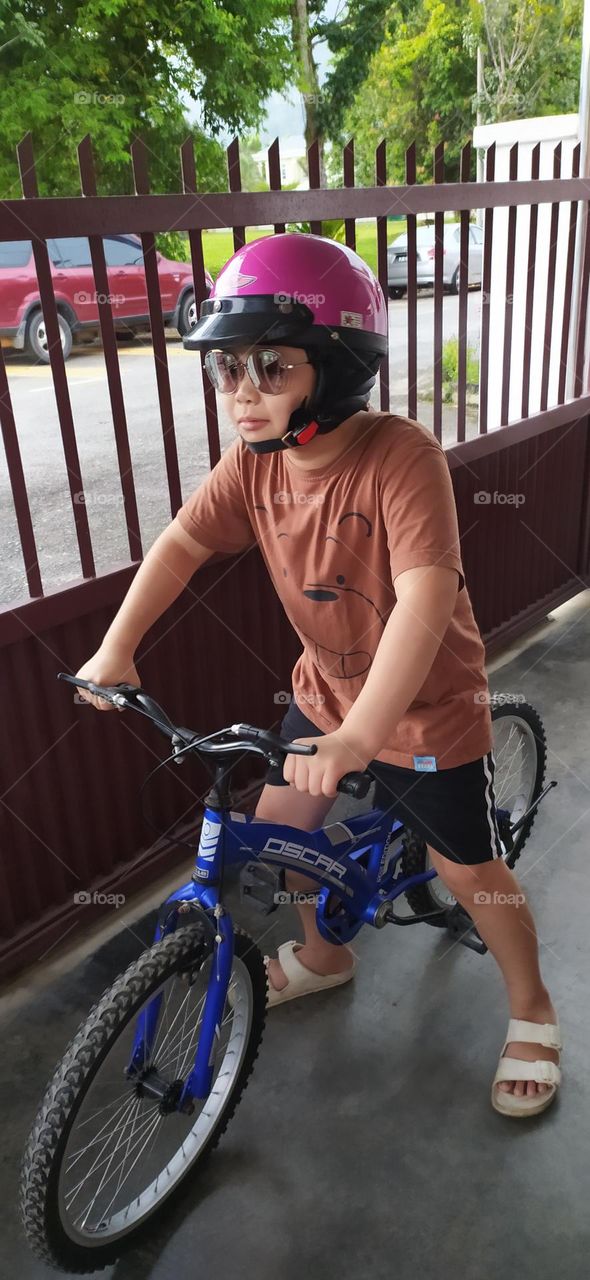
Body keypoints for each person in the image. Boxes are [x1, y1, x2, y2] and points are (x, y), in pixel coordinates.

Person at [74, 231, 561, 1119]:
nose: (242, 394)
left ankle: (533, 1007)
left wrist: (361, 740)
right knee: (280, 830)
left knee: (468, 871)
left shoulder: (399, 456)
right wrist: (117, 647)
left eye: (270, 366)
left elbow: (423, 599)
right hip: (325, 695)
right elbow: (182, 543)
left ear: (335, 367)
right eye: (227, 369)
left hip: (427, 712)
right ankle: (327, 955)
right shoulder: (253, 466)